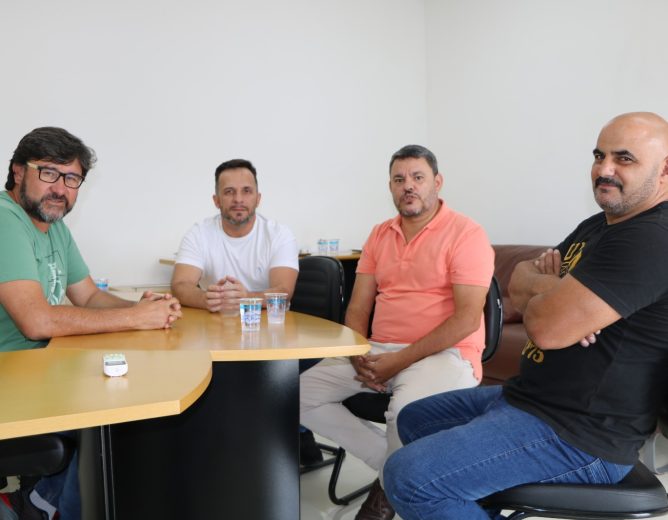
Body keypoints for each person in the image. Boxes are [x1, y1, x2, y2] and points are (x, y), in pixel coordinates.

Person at [383, 112, 668, 520]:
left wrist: (557, 301)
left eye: (624, 158)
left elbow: (545, 328)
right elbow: (517, 282)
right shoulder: (598, 226)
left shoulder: (652, 237)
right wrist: (558, 292)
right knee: (415, 418)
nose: (604, 169)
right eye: (599, 155)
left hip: (582, 433)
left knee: (408, 476)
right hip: (529, 399)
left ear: (664, 170)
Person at [300, 144, 494, 520]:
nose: (409, 186)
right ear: (390, 186)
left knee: (405, 415)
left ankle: (387, 492)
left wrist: (398, 361)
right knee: (298, 395)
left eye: (418, 177)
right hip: (380, 349)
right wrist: (357, 354)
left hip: (446, 354)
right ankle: (395, 470)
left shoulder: (466, 233)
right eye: (399, 179)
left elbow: (468, 319)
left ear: (437, 182)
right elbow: (358, 308)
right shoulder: (380, 234)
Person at [0, 127, 183, 519]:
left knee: (126, 402)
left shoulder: (55, 228)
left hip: (38, 371)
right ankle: (49, 507)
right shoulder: (5, 220)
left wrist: (144, 308)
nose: (60, 189)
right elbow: (35, 321)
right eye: (49, 173)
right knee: (115, 418)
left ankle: (41, 501)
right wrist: (134, 318)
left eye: (72, 179)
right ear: (17, 172)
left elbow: (89, 297)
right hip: (9, 382)